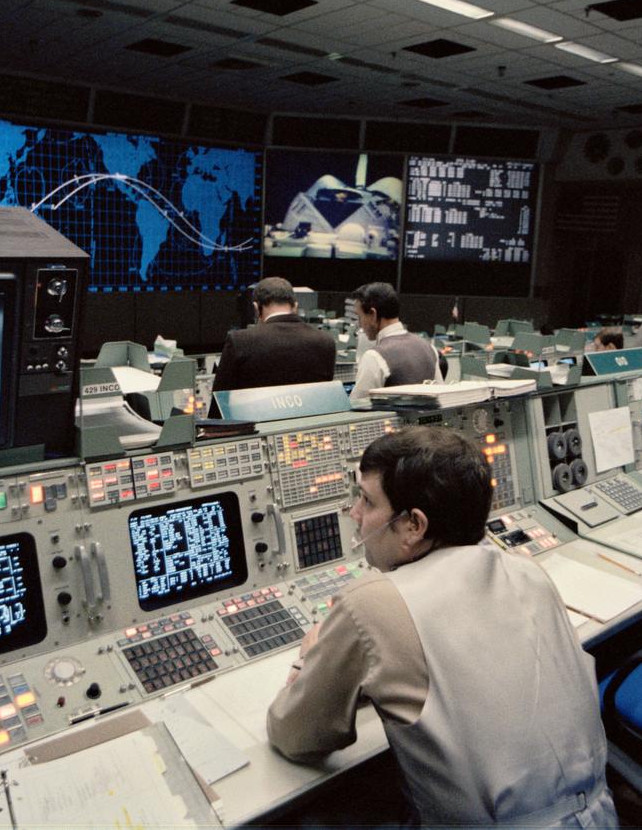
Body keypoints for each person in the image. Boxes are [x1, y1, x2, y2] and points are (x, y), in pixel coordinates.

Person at [266, 427, 616, 827]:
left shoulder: (372, 602)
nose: (355, 515)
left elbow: (295, 736)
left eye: (366, 500)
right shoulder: (528, 573)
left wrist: (309, 660)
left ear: (414, 525)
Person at [211, 277, 336, 393]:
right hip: (309, 416)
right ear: (295, 306)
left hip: (255, 416)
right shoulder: (326, 341)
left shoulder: (239, 341)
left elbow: (221, 397)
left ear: (256, 308)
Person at [348, 282, 441, 406]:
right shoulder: (429, 348)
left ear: (373, 314)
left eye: (360, 317)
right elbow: (441, 398)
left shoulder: (374, 357)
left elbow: (356, 408)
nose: (360, 324)